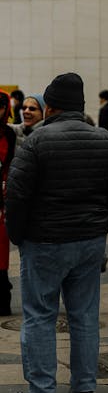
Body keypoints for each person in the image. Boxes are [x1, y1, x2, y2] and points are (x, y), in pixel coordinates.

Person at [5, 72, 108, 393]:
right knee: (85, 316)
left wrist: (18, 236)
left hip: (44, 241)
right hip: (89, 241)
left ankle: (42, 391)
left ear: (50, 107)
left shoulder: (36, 142)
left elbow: (16, 196)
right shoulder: (105, 139)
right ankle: (84, 387)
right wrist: (103, 225)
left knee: (39, 315)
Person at [0, 90, 16, 316]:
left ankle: (2, 299)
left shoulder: (9, 134)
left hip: (2, 197)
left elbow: (10, 164)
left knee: (1, 250)